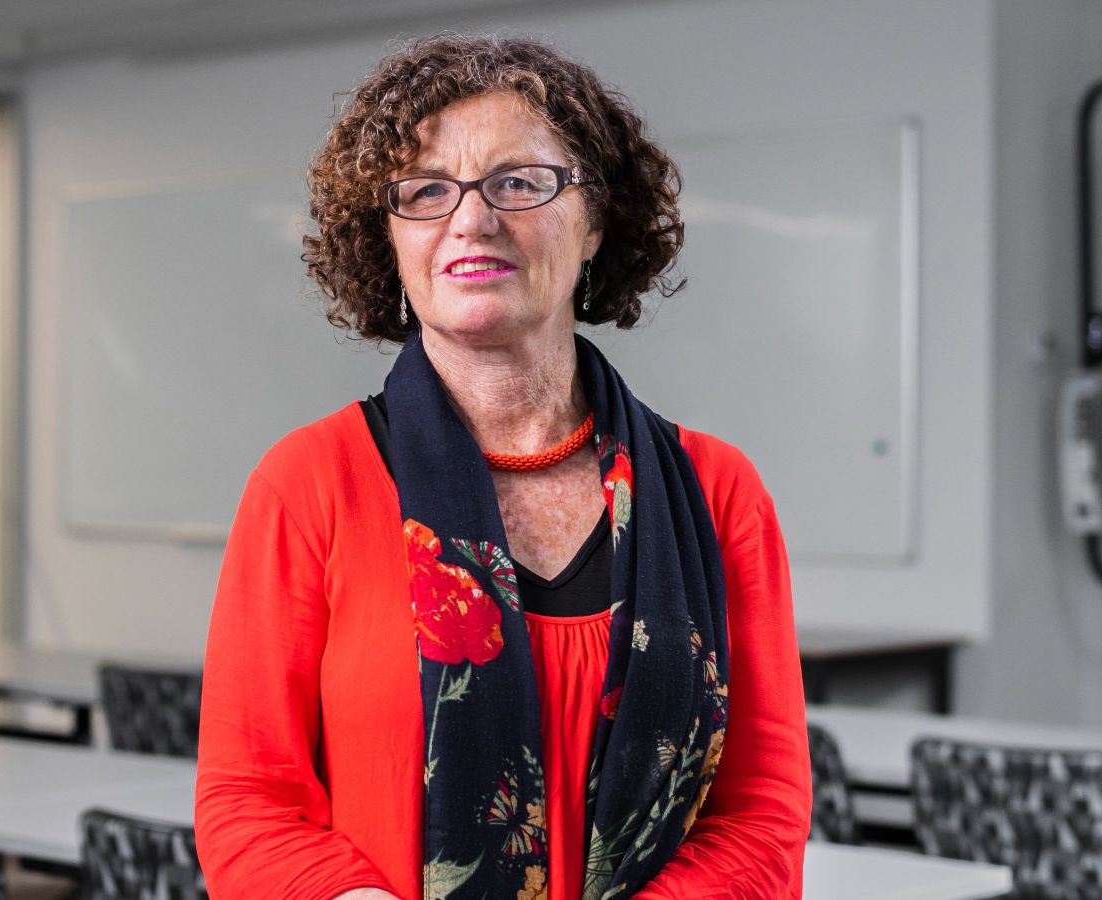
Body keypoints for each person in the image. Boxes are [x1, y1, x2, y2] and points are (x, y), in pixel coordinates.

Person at [195, 33, 811, 900]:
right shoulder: (308, 483)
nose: (471, 219)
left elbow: (762, 810)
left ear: (597, 222)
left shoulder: (718, 492)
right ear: (390, 239)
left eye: (519, 182)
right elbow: (248, 803)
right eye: (426, 190)